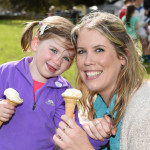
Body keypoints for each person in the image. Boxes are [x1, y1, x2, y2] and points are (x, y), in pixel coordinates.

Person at [0, 16, 108, 150]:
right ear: (36, 43)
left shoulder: (63, 91)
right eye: (53, 50)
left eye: (66, 58)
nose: (57, 61)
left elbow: (71, 132)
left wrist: (99, 135)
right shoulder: (6, 72)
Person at [53, 11, 150, 150]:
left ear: (122, 56)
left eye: (99, 50)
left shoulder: (145, 113)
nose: (87, 61)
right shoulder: (89, 109)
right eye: (82, 51)